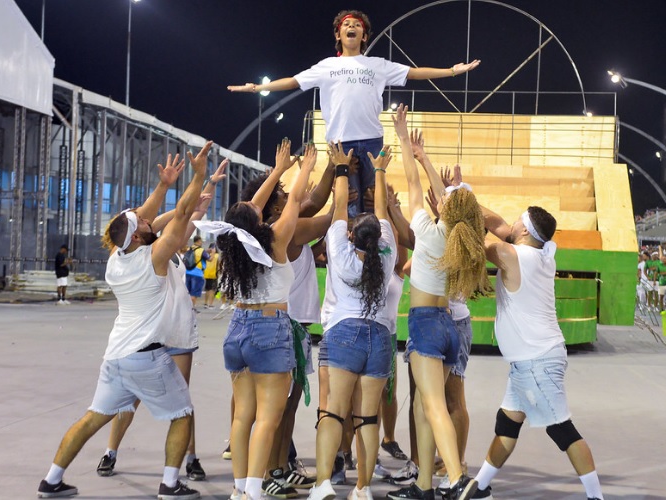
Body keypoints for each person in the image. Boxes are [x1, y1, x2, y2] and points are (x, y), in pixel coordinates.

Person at [36, 141, 213, 500]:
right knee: (182, 413)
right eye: (144, 222)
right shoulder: (154, 258)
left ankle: (51, 480)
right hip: (145, 357)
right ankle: (169, 484)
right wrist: (197, 176)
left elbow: (139, 219)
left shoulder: (117, 258)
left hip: (115, 356)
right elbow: (180, 215)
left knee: (92, 417)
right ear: (137, 236)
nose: (149, 219)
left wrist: (163, 184)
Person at [228, 9, 480, 217]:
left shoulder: (377, 65)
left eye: (356, 25)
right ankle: (347, 254)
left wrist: (451, 71)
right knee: (347, 201)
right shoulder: (326, 66)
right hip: (341, 143)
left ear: (364, 36)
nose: (351, 27)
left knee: (372, 201)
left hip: (372, 141)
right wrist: (258, 87)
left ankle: (372, 253)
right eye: (346, 24)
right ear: (338, 34)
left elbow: (414, 72)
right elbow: (293, 81)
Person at [94, 160, 228, 482]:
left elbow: (188, 214)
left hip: (178, 331)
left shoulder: (168, 252)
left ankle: (191, 458)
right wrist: (198, 183)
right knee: (130, 399)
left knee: (183, 401)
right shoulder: (150, 255)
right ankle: (111, 451)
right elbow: (177, 217)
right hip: (150, 336)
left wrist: (208, 184)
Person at [197, 140, 316, 500]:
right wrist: (305, 168)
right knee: (269, 416)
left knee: (242, 416)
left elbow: (250, 212)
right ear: (260, 219)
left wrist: (277, 171)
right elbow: (294, 202)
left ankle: (238, 490)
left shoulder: (231, 244)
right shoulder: (275, 241)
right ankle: (254, 490)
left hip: (237, 331)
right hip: (269, 330)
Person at [471, 204, 604, 500]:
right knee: (507, 424)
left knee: (561, 429)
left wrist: (454, 203)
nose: (511, 222)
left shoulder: (512, 255)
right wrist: (462, 191)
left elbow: (474, 240)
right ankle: (479, 487)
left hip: (536, 361)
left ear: (525, 230)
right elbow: (495, 222)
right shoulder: (540, 254)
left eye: (518, 220)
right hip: (530, 360)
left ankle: (596, 497)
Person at [387, 105, 486, 500]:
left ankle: (459, 478)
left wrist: (402, 137)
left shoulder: (428, 231)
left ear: (444, 208)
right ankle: (424, 486)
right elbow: (439, 195)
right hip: (448, 325)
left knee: (433, 406)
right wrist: (424, 156)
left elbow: (412, 185)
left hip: (426, 325)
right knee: (423, 409)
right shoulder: (462, 238)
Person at [308, 141, 397, 500]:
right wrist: (380, 170)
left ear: (351, 237)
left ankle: (322, 484)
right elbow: (383, 212)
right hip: (380, 337)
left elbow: (341, 208)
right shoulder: (387, 252)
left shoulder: (342, 254)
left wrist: (342, 168)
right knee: (367, 419)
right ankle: (362, 488)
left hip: (344, 333)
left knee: (333, 413)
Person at [185, 236, 209, 309]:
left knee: (187, 291)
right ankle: (192, 308)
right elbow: (209, 259)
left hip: (187, 272)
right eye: (201, 241)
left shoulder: (189, 248)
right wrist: (213, 253)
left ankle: (187, 307)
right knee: (194, 293)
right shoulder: (201, 250)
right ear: (198, 241)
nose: (202, 242)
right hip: (197, 273)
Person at [203, 244, 219, 309]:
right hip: (214, 274)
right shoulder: (217, 256)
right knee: (212, 289)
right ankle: (211, 304)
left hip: (206, 273)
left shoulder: (206, 255)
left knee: (207, 289)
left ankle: (205, 303)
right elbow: (219, 265)